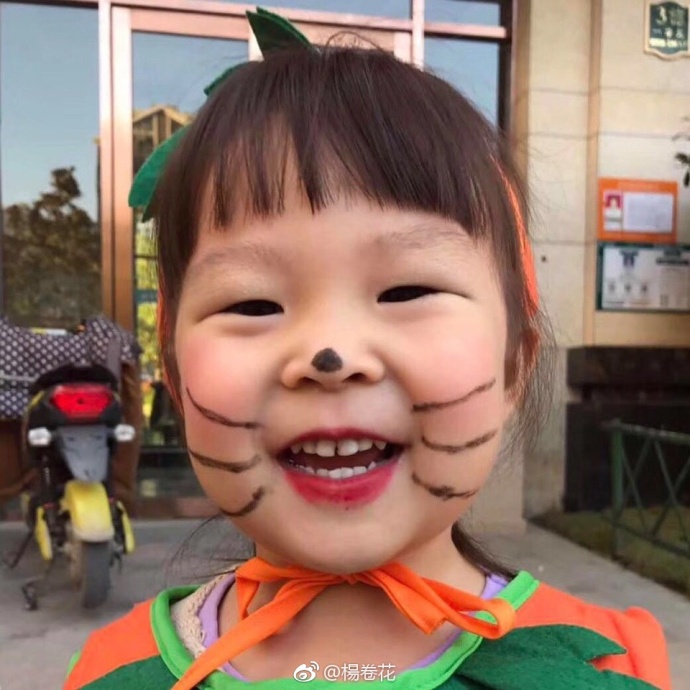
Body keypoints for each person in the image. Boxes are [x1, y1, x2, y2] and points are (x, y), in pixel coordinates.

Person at [63, 8, 670, 690]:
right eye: (252, 304)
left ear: (514, 367)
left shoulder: (610, 666)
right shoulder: (112, 672)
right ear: (176, 378)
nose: (330, 355)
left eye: (408, 291)